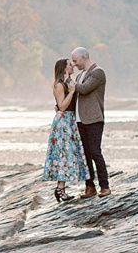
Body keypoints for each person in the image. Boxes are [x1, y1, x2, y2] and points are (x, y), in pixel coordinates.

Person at [43, 57, 89, 203]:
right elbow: (62, 106)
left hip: (69, 120)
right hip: (63, 122)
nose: (72, 66)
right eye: (70, 64)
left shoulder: (67, 83)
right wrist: (71, 92)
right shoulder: (59, 85)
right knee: (62, 154)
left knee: (66, 155)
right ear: (64, 68)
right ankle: (60, 189)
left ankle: (61, 188)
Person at [68, 47, 110, 197]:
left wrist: (67, 79)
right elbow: (75, 94)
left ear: (84, 58)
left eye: (75, 60)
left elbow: (84, 89)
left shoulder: (98, 72)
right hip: (80, 120)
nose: (74, 64)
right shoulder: (79, 76)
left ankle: (104, 186)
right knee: (85, 155)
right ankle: (90, 186)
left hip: (93, 120)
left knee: (95, 152)